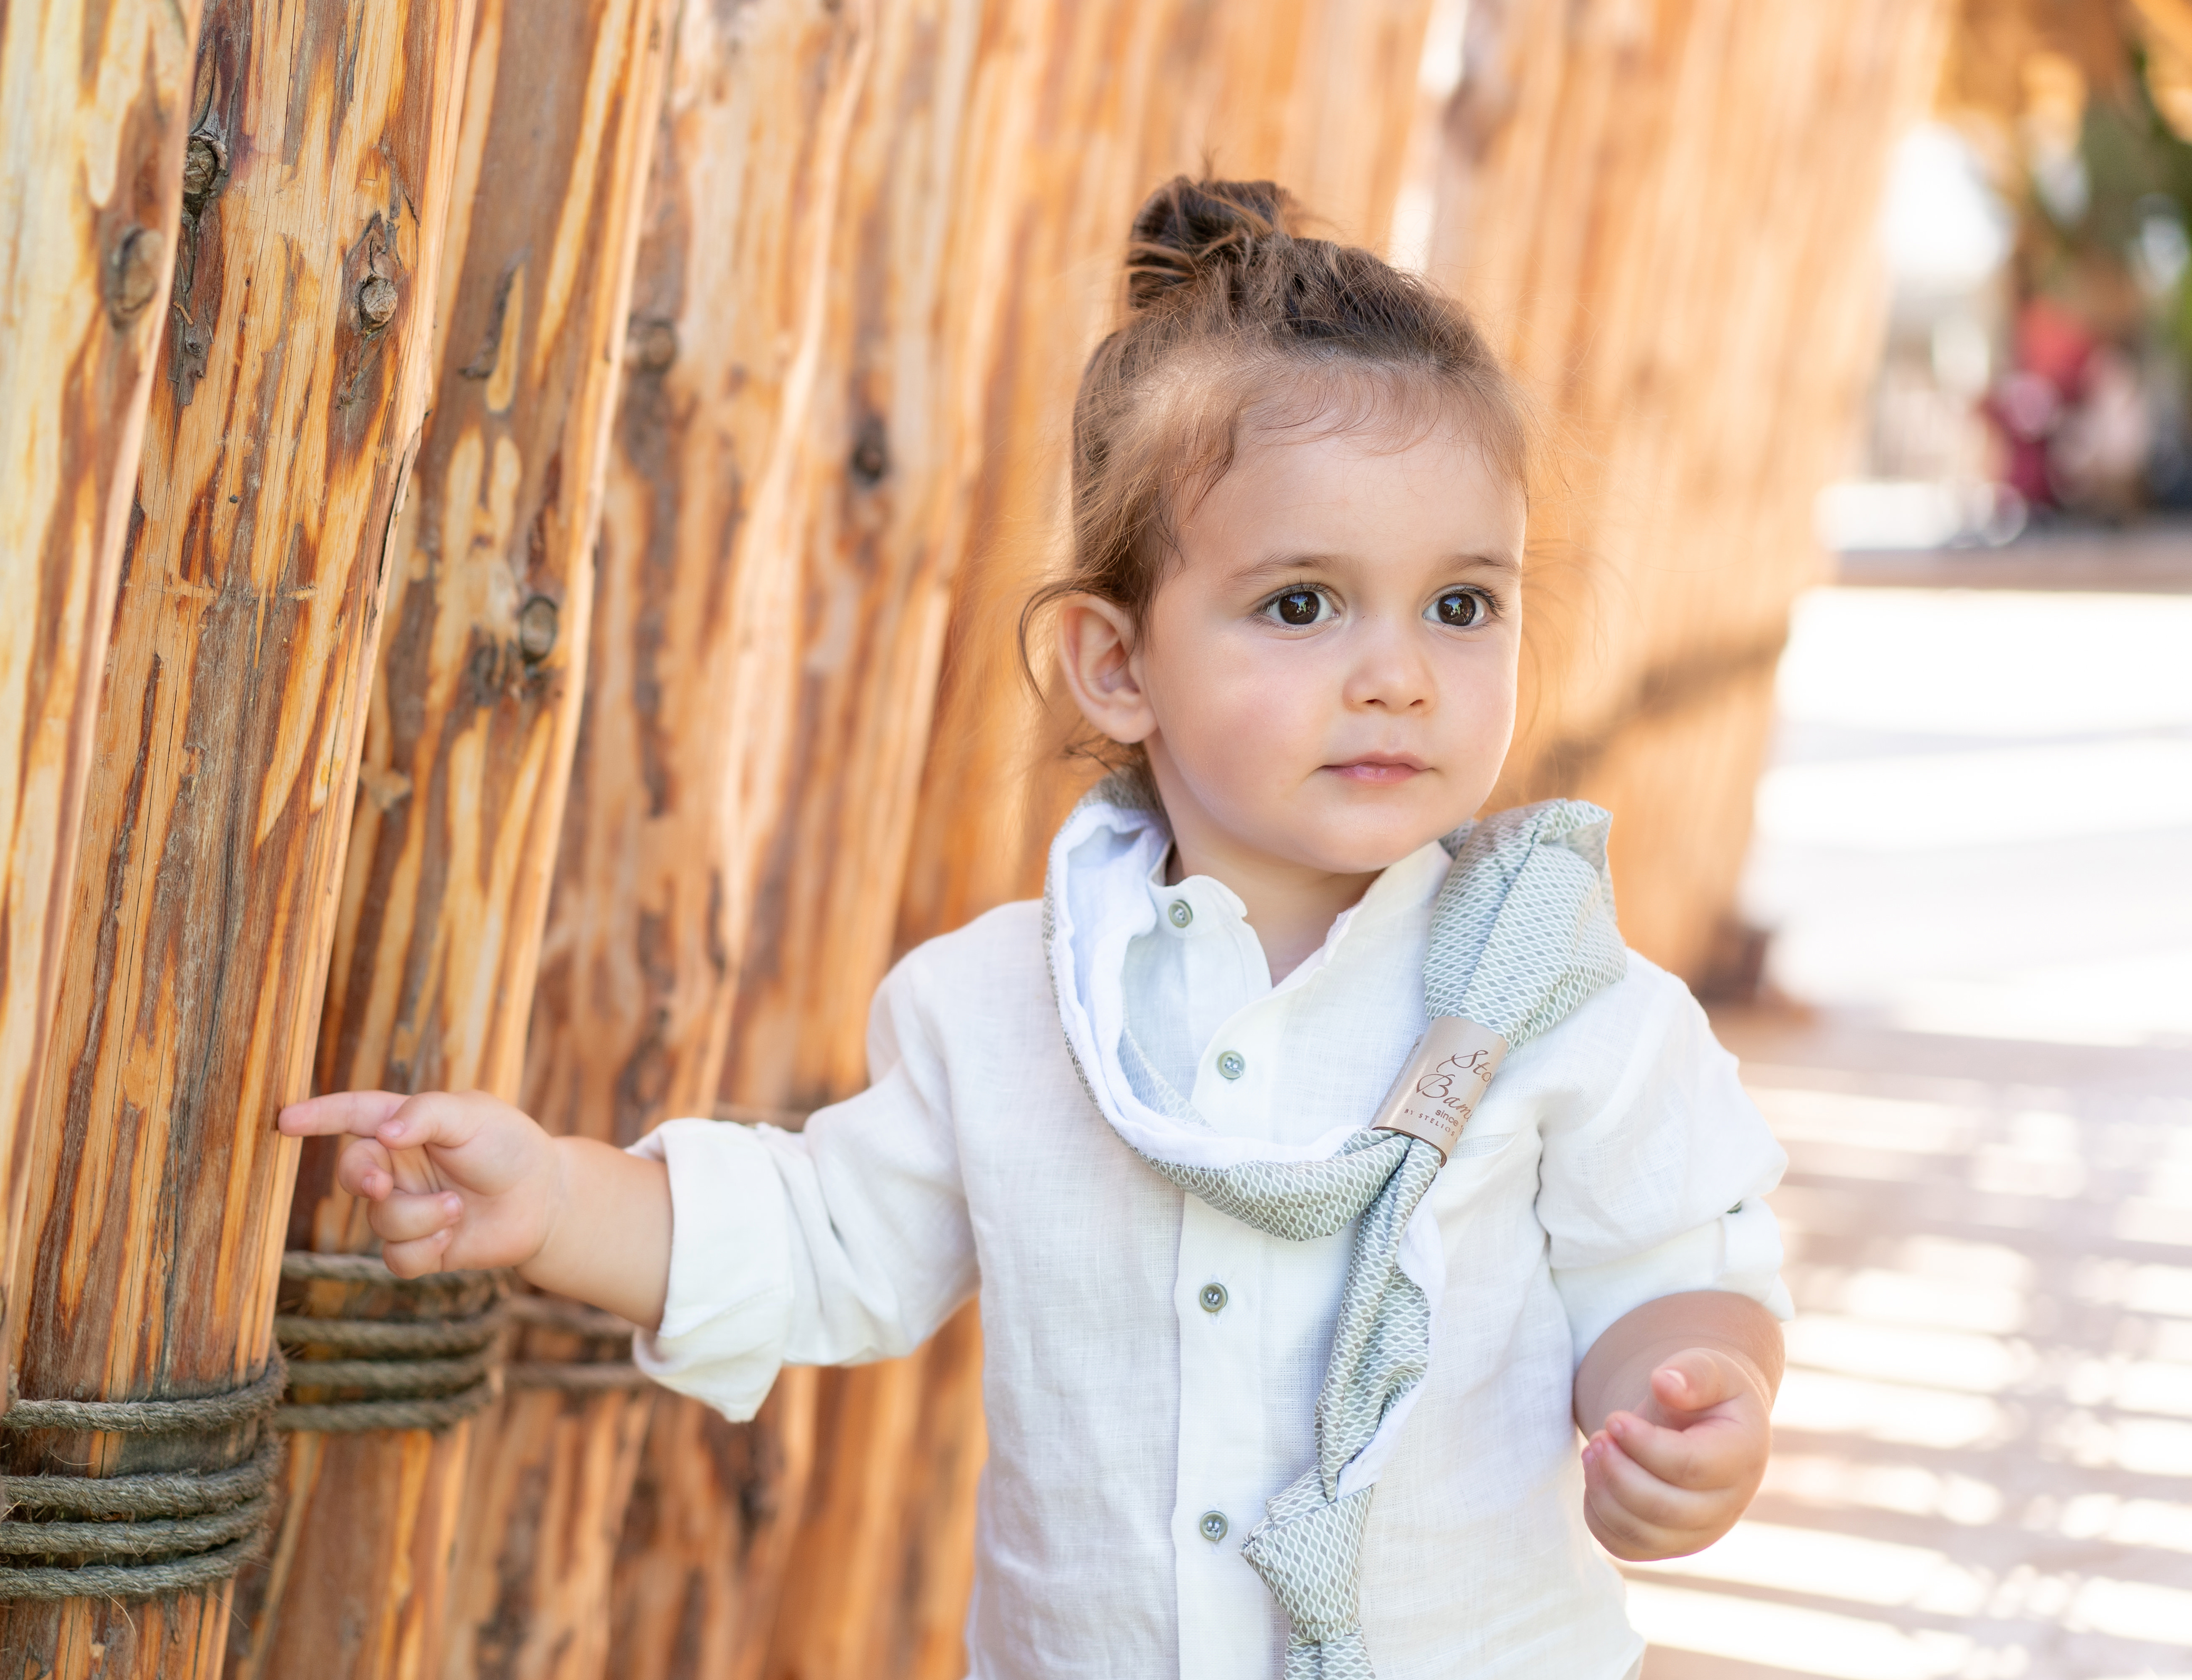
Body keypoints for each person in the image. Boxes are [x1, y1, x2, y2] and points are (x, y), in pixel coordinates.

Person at [280, 177, 1792, 1679]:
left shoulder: (1562, 1002)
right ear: (1115, 664)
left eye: (1462, 607)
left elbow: (1673, 1263)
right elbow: (823, 1241)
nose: (1399, 675)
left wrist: (1684, 1392)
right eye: (1303, 605)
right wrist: (555, 1200)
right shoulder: (1008, 1007)